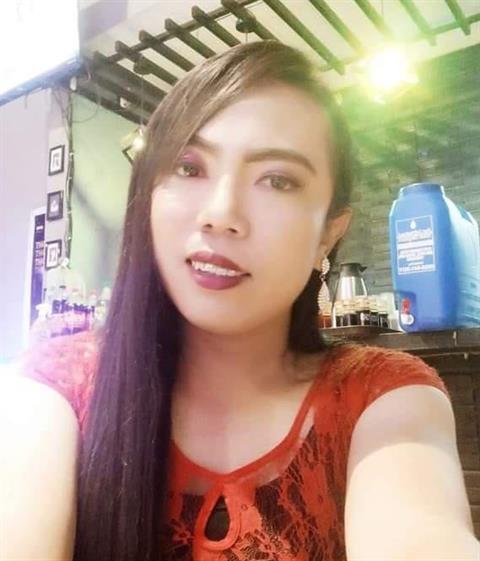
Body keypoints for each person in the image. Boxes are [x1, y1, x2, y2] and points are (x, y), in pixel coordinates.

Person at [4, 41, 477, 561]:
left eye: (277, 180)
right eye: (189, 167)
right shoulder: (56, 389)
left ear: (328, 233)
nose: (221, 213)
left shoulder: (383, 399)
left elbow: (421, 531)